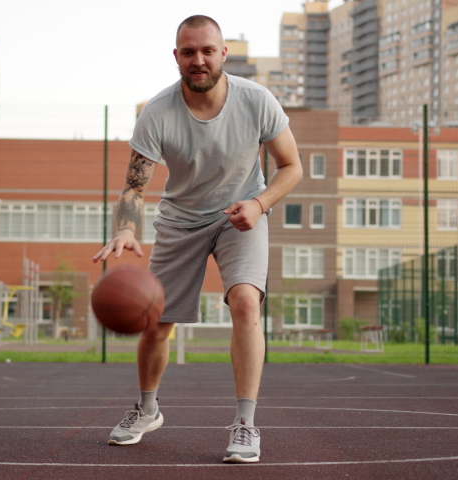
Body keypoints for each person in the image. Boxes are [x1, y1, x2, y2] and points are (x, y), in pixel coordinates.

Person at [91, 15, 302, 464]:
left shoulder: (256, 100)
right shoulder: (159, 111)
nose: (199, 60)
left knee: (246, 302)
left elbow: (291, 166)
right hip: (181, 220)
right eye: (189, 52)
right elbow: (134, 186)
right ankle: (147, 410)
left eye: (208, 50)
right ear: (176, 57)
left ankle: (245, 425)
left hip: (240, 214)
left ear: (223, 54)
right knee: (156, 322)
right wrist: (126, 229)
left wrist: (259, 204)